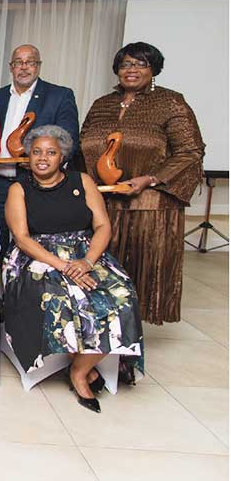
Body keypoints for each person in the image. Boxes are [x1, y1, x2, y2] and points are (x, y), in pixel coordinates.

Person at [4, 125, 144, 413]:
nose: (43, 158)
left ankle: (80, 369)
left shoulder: (83, 181)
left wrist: (87, 262)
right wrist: (63, 266)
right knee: (61, 298)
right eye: (37, 152)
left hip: (86, 254)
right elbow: (22, 237)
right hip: (38, 256)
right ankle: (80, 371)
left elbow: (103, 226)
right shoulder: (18, 189)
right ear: (28, 156)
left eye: (51, 152)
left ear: (62, 156)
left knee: (122, 296)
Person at [78, 42, 204, 326]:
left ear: (153, 69)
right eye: (125, 64)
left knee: (138, 277)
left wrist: (149, 179)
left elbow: (191, 151)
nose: (131, 70)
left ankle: (128, 348)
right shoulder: (102, 104)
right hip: (104, 204)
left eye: (140, 64)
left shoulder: (170, 102)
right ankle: (104, 338)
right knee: (101, 275)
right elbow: (81, 150)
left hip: (149, 207)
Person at [0, 44, 79, 257]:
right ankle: (0, 291)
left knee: (34, 244)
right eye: (18, 62)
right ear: (11, 67)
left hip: (37, 183)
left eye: (30, 62)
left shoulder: (59, 95)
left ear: (39, 66)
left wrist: (41, 164)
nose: (24, 67)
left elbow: (69, 141)